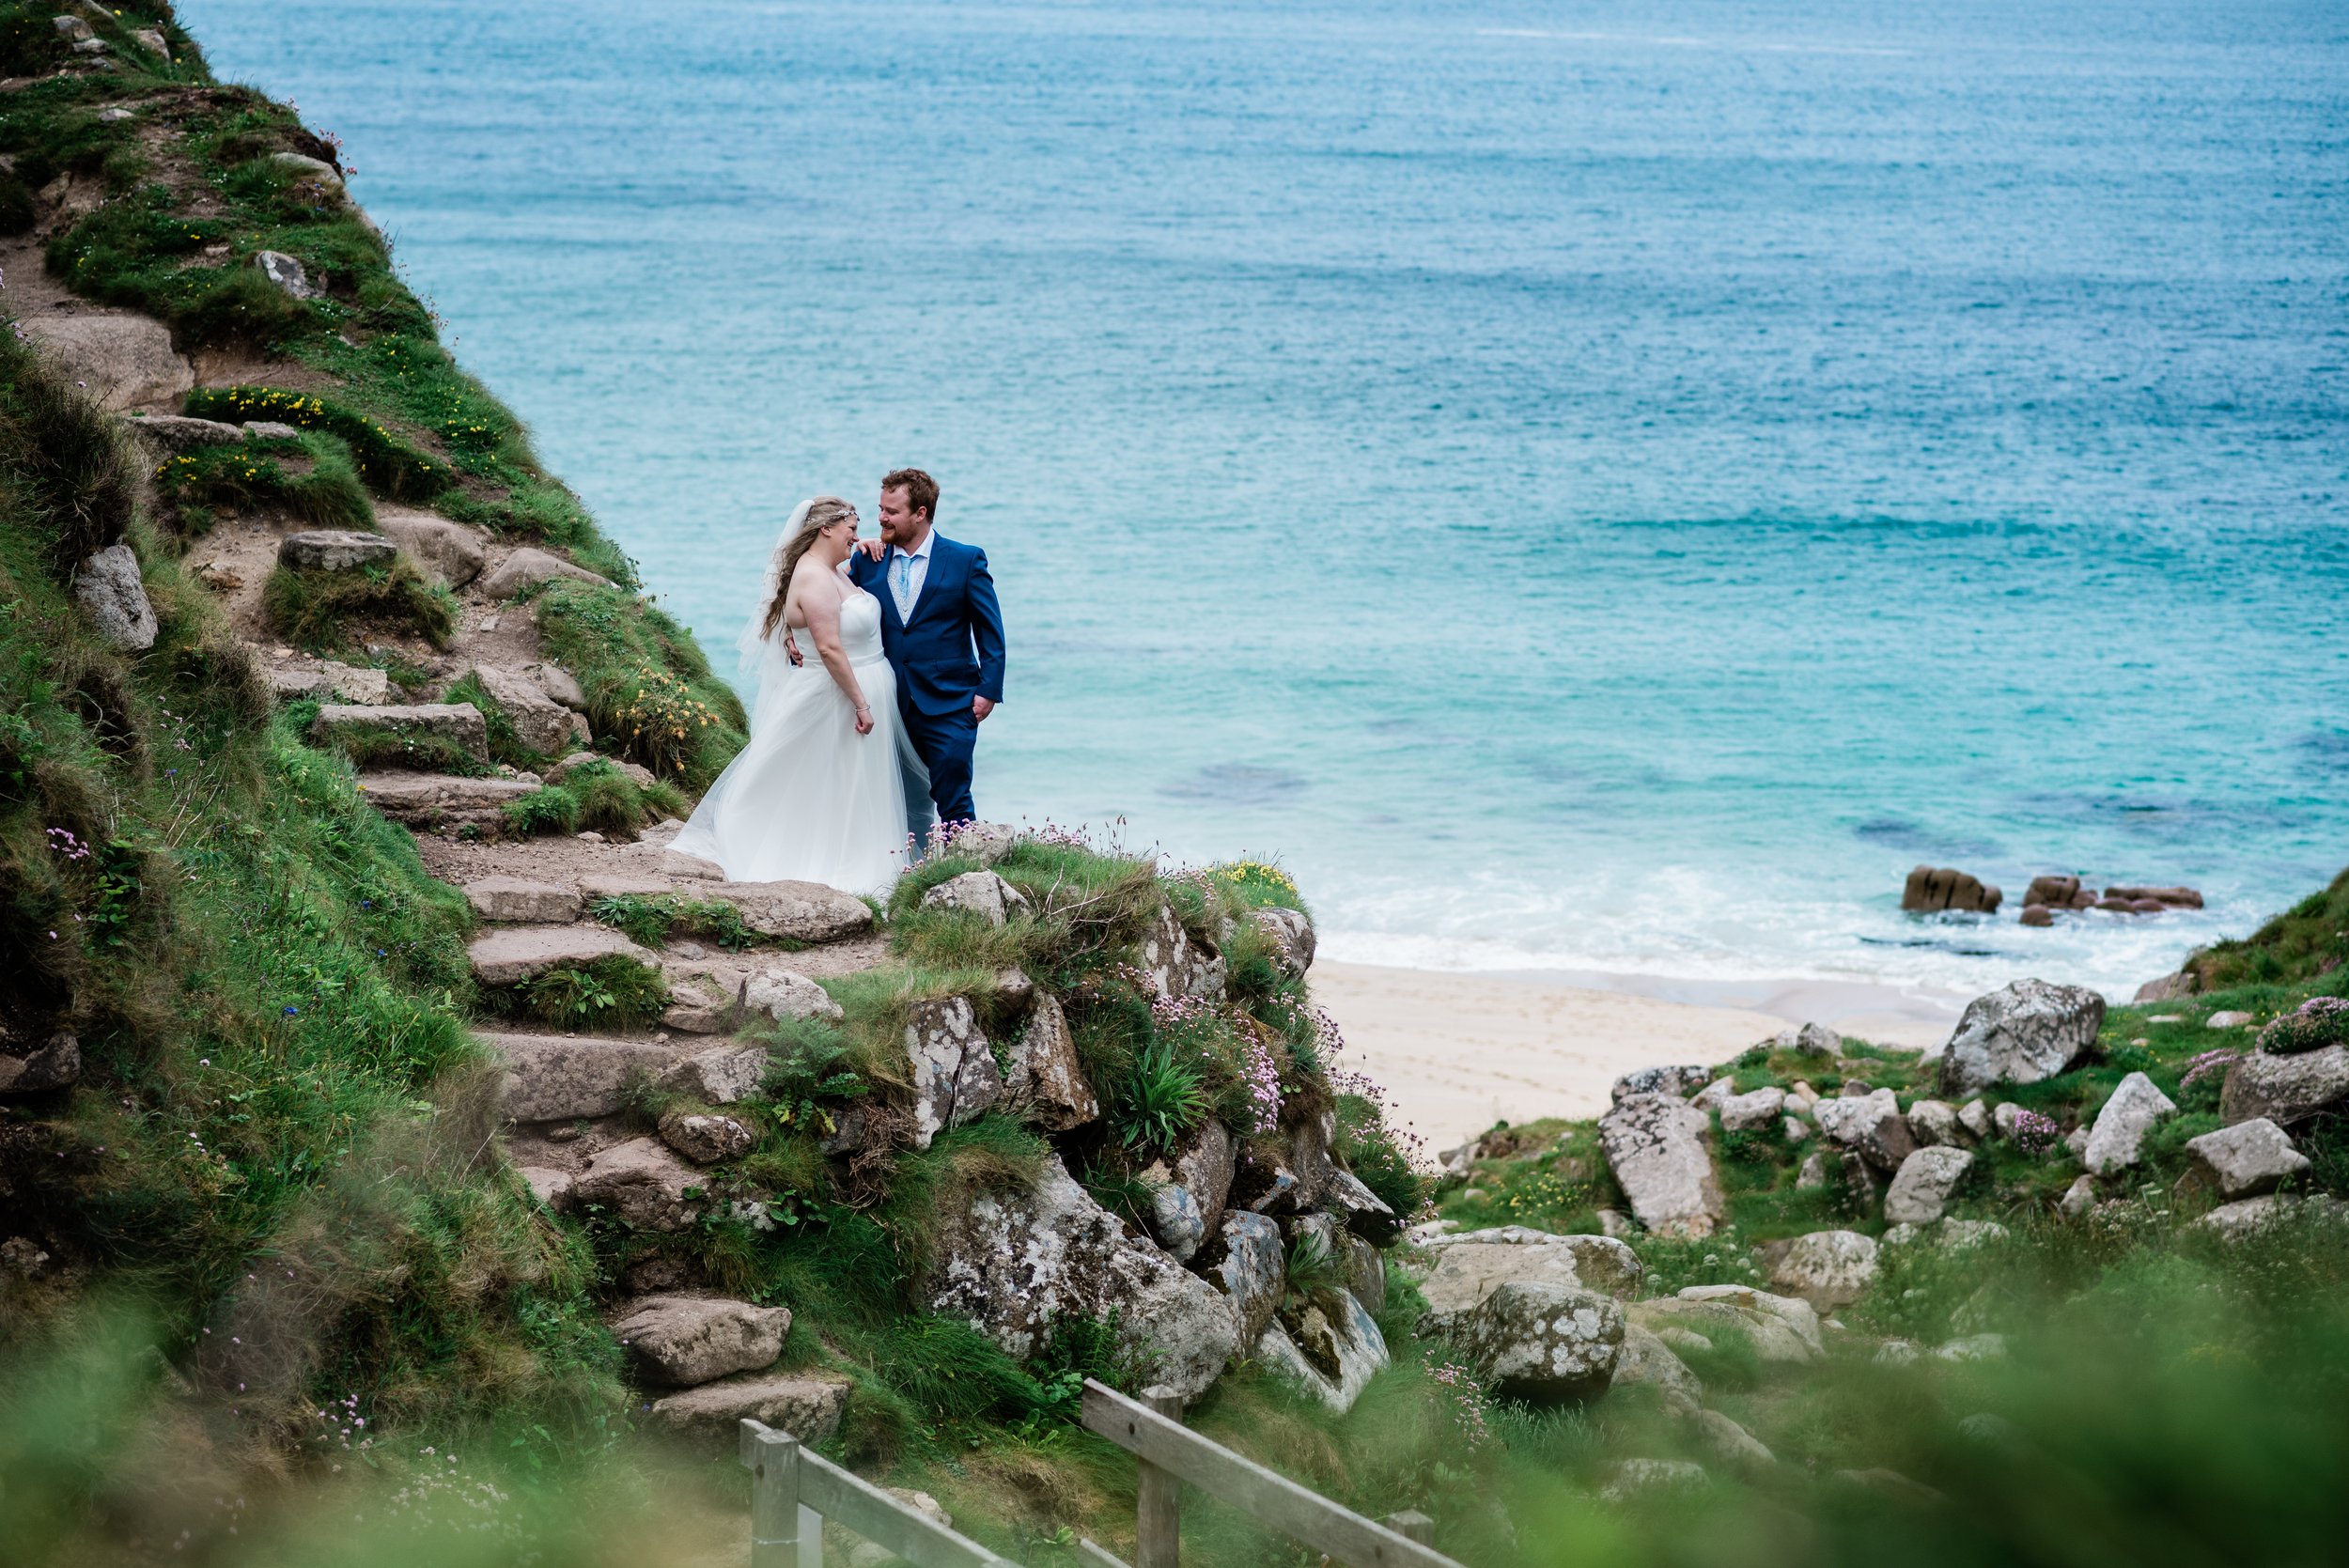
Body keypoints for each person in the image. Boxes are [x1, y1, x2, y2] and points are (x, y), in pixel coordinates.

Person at [668, 496, 924, 892]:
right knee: (822, 781)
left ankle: (858, 850)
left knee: (843, 784)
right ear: (826, 529)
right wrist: (861, 702)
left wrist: (873, 544)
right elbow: (828, 648)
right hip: (834, 697)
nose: (856, 538)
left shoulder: (831, 569)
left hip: (850, 689)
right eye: (851, 530)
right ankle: (822, 859)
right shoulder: (816, 577)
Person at [792, 468, 1005, 861]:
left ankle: (967, 879)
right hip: (888, 699)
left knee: (953, 795)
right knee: (893, 796)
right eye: (880, 509)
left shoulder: (964, 559)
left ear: (920, 513)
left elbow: (989, 630)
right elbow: (822, 598)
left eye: (891, 511)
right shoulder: (869, 560)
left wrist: (989, 690)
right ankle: (909, 875)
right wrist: (791, 634)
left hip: (950, 701)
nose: (882, 518)